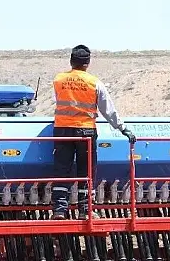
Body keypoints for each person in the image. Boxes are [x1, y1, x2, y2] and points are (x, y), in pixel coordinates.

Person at [51, 44, 136, 220]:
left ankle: (59, 210)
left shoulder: (58, 80)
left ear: (71, 61)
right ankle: (85, 210)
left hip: (62, 130)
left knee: (61, 170)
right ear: (87, 63)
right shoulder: (94, 83)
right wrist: (123, 128)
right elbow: (108, 110)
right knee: (86, 171)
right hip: (85, 131)